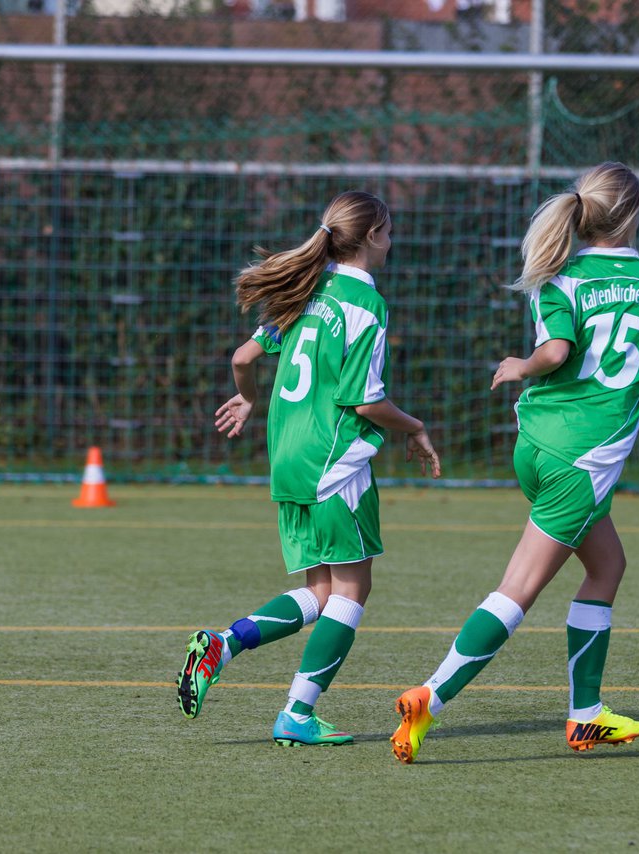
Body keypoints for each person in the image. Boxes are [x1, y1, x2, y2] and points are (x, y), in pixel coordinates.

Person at [389, 162, 639, 763]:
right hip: (584, 460)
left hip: (538, 445)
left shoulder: (561, 278)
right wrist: (530, 361)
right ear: (633, 216)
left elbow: (558, 348)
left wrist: (529, 367)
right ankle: (429, 698)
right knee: (517, 590)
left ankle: (585, 717)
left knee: (608, 565)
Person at [176, 190, 441, 746]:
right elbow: (364, 402)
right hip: (335, 462)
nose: (392, 244)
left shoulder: (305, 291)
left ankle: (226, 644)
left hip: (289, 459)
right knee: (352, 590)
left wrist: (247, 399)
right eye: (389, 233)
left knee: (321, 594)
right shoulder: (365, 304)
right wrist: (414, 426)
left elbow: (243, 359)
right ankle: (297, 712)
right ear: (371, 237)